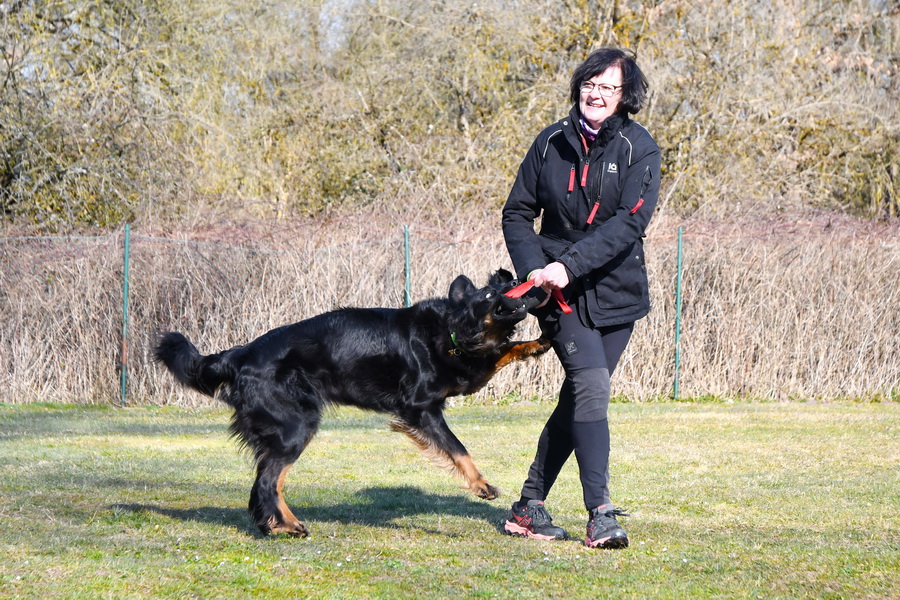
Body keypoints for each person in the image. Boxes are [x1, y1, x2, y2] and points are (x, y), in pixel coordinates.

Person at [501, 47, 660, 549]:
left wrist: (571, 264)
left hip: (616, 293)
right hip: (555, 293)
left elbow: (630, 221)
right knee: (591, 387)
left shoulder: (641, 148)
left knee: (578, 398)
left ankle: (529, 506)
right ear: (579, 87)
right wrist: (536, 268)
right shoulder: (549, 142)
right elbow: (516, 213)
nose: (597, 94)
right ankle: (601, 513)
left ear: (624, 97)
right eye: (591, 83)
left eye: (609, 87)